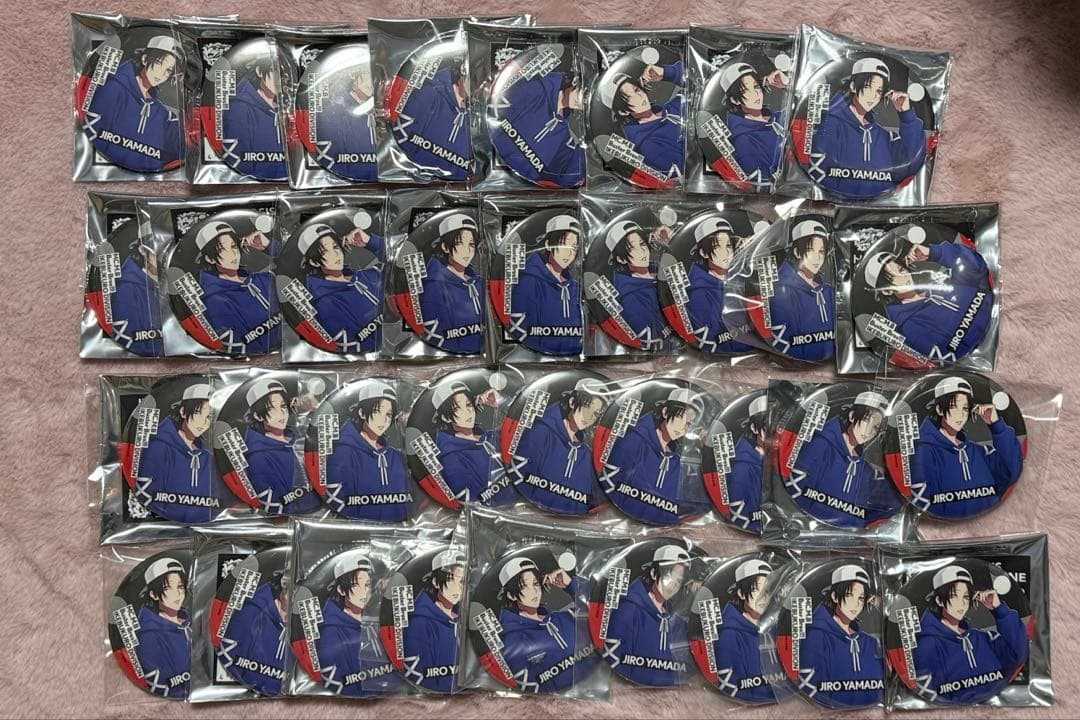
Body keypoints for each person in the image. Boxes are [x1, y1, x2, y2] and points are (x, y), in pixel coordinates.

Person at [863, 227, 994, 362]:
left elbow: (978, 268)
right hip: (988, 345)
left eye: (901, 269)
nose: (904, 276)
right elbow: (947, 355)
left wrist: (934, 253)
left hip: (998, 312)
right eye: (893, 277)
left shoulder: (937, 282)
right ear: (887, 290)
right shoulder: (909, 326)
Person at [809, 57, 926, 199]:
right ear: (853, 86)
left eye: (879, 91)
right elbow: (818, 174)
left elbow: (912, 164)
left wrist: (907, 115)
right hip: (842, 207)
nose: (873, 96)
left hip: (881, 208)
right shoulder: (831, 125)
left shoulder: (884, 136)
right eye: (868, 87)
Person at [913, 565, 1028, 704]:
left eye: (966, 597)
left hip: (1001, 706)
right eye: (954, 596)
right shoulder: (927, 646)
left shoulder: (984, 638)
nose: (962, 603)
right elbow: (932, 695)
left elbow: (1019, 654)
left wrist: (999, 610)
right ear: (939, 600)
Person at [912, 377, 1024, 518]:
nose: (961, 414)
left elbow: (1013, 473)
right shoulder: (924, 452)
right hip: (953, 529)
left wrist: (997, 426)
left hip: (993, 522)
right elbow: (924, 504)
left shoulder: (981, 452)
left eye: (965, 408)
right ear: (939, 409)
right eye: (953, 406)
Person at [790, 391, 898, 528]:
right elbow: (795, 489)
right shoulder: (821, 446)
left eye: (875, 427)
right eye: (866, 420)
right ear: (852, 416)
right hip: (810, 528)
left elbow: (877, 507)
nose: (869, 431)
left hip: (848, 536)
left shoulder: (865, 468)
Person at [81, 35, 183, 172]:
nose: (162, 74)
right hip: (105, 172)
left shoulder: (161, 113)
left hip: (151, 180)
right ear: (145, 59)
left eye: (169, 70)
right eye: (159, 63)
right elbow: (91, 134)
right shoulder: (113, 90)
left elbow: (182, 145)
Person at [604, 387, 704, 525]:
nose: (682, 427)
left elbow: (694, 505)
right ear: (665, 412)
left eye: (688, 423)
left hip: (663, 530)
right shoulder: (635, 440)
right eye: (680, 417)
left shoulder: (677, 460)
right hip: (619, 521)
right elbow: (608, 482)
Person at [497, 556, 593, 693]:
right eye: (524, 586)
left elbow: (603, 615)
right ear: (511, 595)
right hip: (562, 702)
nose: (534, 590)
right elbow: (530, 689)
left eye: (536, 583)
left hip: (596, 687)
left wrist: (571, 585)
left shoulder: (565, 617)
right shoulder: (513, 640)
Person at [512, 378, 607, 515]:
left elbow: (597, 501)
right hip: (532, 517)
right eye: (587, 406)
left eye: (596, 413)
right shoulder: (541, 433)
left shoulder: (586, 453)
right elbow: (517, 477)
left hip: (576, 524)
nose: (589, 417)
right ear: (572, 402)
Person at [603, 545, 694, 686]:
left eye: (678, 581)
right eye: (668, 576)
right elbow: (614, 658)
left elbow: (686, 661)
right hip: (632, 692)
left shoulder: (673, 618)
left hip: (669, 693)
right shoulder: (629, 610)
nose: (673, 585)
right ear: (653, 573)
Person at [490, 52, 585, 187]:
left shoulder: (568, 136)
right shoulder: (537, 88)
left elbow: (567, 178)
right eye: (582, 93)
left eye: (587, 102)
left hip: (519, 188)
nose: (581, 102)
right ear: (575, 81)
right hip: (491, 160)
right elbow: (494, 108)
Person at [316, 550, 401, 696]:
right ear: (341, 590)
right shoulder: (330, 634)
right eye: (356, 585)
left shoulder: (374, 621)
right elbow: (339, 685)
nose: (364, 592)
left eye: (367, 585)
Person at [324, 382, 412, 521]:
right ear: (362, 413)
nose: (384, 420)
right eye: (377, 411)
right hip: (359, 530)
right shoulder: (343, 453)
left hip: (401, 529)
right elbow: (337, 502)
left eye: (389, 414)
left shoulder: (396, 457)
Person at [799, 564, 884, 707]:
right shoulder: (816, 637)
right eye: (849, 595)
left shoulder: (869, 642)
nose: (856, 604)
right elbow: (810, 690)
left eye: (861, 598)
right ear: (834, 596)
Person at [195, 219, 281, 355]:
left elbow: (296, 272)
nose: (233, 253)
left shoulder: (265, 278)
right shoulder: (215, 301)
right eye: (223, 249)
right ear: (210, 259)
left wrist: (270, 247)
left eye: (234, 246)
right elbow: (240, 349)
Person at [298, 219, 383, 354]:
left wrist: (370, 242)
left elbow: (402, 260)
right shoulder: (325, 304)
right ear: (314, 262)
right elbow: (355, 347)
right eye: (325, 251)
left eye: (335, 247)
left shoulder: (368, 275)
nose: (336, 254)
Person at [137, 383, 216, 523]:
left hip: (203, 528)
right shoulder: (158, 448)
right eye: (198, 413)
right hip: (163, 528)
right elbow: (146, 496)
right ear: (183, 412)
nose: (203, 422)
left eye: (209, 416)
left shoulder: (206, 457)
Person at [509, 214, 583, 356]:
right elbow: (519, 329)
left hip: (574, 358)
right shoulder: (529, 281)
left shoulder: (574, 286)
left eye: (574, 247)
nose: (569, 253)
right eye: (563, 244)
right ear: (548, 244)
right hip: (535, 358)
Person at [241, 378, 317, 514]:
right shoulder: (258, 457)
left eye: (283, 406)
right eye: (271, 408)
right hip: (299, 517)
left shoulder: (298, 438)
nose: (281, 413)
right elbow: (275, 507)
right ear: (258, 416)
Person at [600, 61, 685, 180]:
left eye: (636, 90)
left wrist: (668, 72)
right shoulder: (649, 146)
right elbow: (687, 174)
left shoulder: (674, 105)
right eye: (629, 97)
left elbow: (700, 79)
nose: (639, 96)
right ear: (623, 112)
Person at [431, 381, 511, 505]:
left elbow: (527, 426)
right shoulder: (452, 459)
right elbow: (475, 504)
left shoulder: (490, 436)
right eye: (458, 409)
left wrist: (502, 402)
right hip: (507, 512)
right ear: (446, 418)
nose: (467, 412)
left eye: (468, 405)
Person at [390, 57, 471, 180]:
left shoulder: (481, 115)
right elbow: (401, 139)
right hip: (416, 181)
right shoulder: (428, 94)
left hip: (459, 186)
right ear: (463, 72)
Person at [417, 214, 486, 354]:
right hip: (455, 359)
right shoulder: (433, 287)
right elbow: (436, 337)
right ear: (445, 247)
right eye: (459, 243)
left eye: (471, 244)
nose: (467, 251)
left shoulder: (480, 283)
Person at [768, 219, 835, 361]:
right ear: (797, 252)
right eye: (810, 250)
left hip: (832, 364)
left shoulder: (829, 291)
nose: (817, 258)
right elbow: (783, 345)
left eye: (821, 251)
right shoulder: (782, 291)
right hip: (802, 367)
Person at [685, 216, 754, 354]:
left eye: (728, 245)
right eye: (717, 246)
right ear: (703, 252)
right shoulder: (699, 294)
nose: (726, 252)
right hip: (728, 360)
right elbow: (710, 342)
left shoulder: (739, 278)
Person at [400, 550, 465, 693]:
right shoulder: (419, 624)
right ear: (435, 582)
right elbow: (416, 675)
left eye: (461, 581)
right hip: (436, 699)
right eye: (450, 579)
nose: (458, 587)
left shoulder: (460, 619)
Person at [713, 558, 775, 703]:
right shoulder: (729, 635)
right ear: (741, 593)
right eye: (756, 589)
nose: (763, 597)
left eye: (767, 591)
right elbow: (729, 686)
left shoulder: (772, 628)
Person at [219, 567, 289, 695]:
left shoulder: (305, 625)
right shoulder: (249, 614)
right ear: (282, 584)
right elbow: (227, 658)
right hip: (244, 696)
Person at [717, 61, 787, 187]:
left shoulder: (777, 117)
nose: (756, 94)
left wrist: (787, 84)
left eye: (756, 87)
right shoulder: (744, 140)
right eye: (746, 91)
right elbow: (761, 186)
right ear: (735, 100)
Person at [221, 53, 287, 180]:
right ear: (259, 71)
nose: (280, 80)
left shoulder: (285, 107)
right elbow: (237, 163)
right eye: (275, 72)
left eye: (284, 75)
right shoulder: (239, 110)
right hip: (254, 185)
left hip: (285, 184)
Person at [607, 219, 671, 350]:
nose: (642, 250)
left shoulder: (659, 272)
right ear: (621, 259)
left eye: (642, 244)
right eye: (632, 248)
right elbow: (650, 342)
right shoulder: (631, 297)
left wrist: (671, 242)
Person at [312, 58, 378, 181]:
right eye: (365, 75)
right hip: (346, 180)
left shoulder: (376, 110)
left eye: (373, 75)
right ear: (354, 80)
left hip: (376, 179)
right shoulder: (335, 111)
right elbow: (326, 152)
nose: (370, 82)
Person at [135, 557, 190, 698]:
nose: (177, 594)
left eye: (180, 586)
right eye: (167, 588)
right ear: (153, 594)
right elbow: (158, 684)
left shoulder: (190, 623)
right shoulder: (148, 635)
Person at [107, 229, 164, 356]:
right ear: (142, 250)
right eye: (157, 248)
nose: (163, 255)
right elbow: (132, 347)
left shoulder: (163, 285)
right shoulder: (125, 293)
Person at [724, 394, 768, 534]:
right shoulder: (742, 468)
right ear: (754, 428)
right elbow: (737, 513)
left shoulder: (775, 459)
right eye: (766, 426)